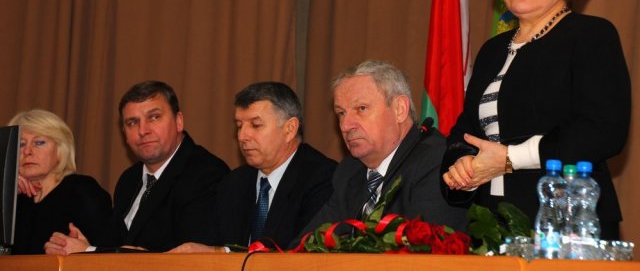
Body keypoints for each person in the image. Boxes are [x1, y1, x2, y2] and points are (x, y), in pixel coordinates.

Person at [441, 0, 630, 239]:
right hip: (490, 229)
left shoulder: (590, 36)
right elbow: (464, 134)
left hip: (569, 227)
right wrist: (462, 168)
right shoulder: (492, 51)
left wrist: (510, 158)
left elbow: (602, 130)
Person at [295, 60, 468, 247]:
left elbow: (423, 252)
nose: (345, 125)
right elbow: (305, 245)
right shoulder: (349, 171)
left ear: (400, 109)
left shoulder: (435, 161)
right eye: (341, 113)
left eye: (361, 109)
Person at [45, 81, 230, 254]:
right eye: (132, 122)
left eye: (154, 117)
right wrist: (87, 249)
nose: (143, 130)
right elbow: (117, 248)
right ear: (124, 132)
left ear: (179, 121)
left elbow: (188, 258)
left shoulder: (206, 173)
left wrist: (89, 252)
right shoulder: (129, 179)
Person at [171, 82, 336, 252]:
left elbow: (300, 253)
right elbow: (214, 240)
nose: (242, 136)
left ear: (290, 129)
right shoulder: (233, 183)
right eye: (239, 126)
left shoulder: (323, 178)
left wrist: (221, 253)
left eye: (256, 125)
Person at [10, 109, 112, 255]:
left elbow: (111, 253)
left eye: (39, 142)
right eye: (21, 144)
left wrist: (84, 251)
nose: (27, 151)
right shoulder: (13, 200)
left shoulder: (81, 190)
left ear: (60, 150)